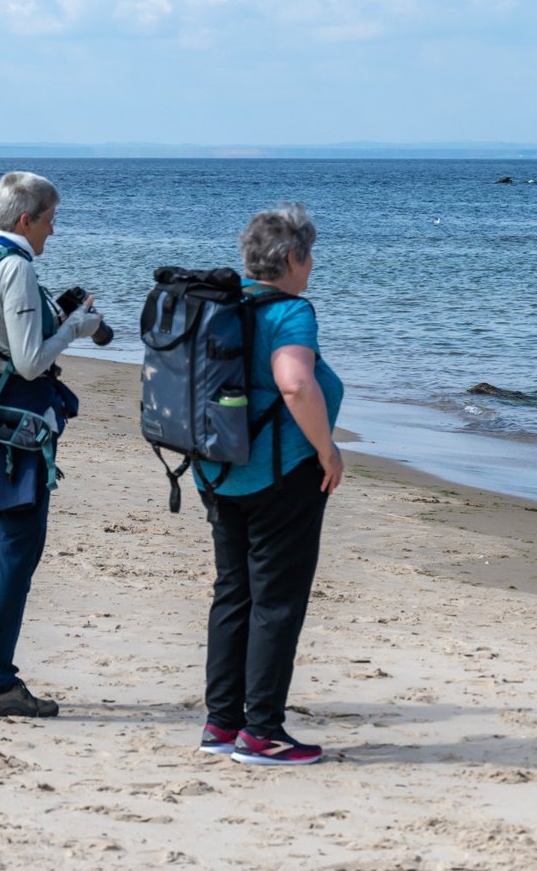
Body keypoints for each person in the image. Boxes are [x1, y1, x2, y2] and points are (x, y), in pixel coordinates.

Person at [196, 203, 344, 765]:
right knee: (276, 601)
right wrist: (327, 450)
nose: (311, 268)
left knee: (233, 592)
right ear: (292, 257)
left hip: (219, 469)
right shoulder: (290, 312)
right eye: (309, 257)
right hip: (280, 475)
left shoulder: (227, 306)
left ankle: (222, 723)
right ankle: (261, 732)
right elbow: (294, 383)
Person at [0, 171, 103, 718]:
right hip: (16, 430)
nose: (53, 230)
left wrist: (58, 319)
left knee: (0, 548)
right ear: (26, 219)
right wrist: (77, 329)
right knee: (17, 550)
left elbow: (4, 342)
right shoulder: (16, 268)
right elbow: (29, 361)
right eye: (49, 219)